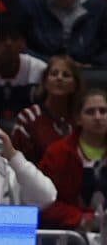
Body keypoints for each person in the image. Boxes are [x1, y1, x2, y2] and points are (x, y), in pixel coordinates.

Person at [38, 87, 107, 235]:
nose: (98, 117)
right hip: (72, 233)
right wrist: (79, 218)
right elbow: (44, 200)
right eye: (90, 112)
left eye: (103, 111)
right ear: (78, 118)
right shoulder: (57, 153)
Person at [12, 54, 85, 161]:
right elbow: (16, 160)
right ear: (45, 82)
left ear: (75, 85)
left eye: (66, 75)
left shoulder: (81, 119)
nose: (59, 78)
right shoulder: (28, 117)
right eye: (54, 74)